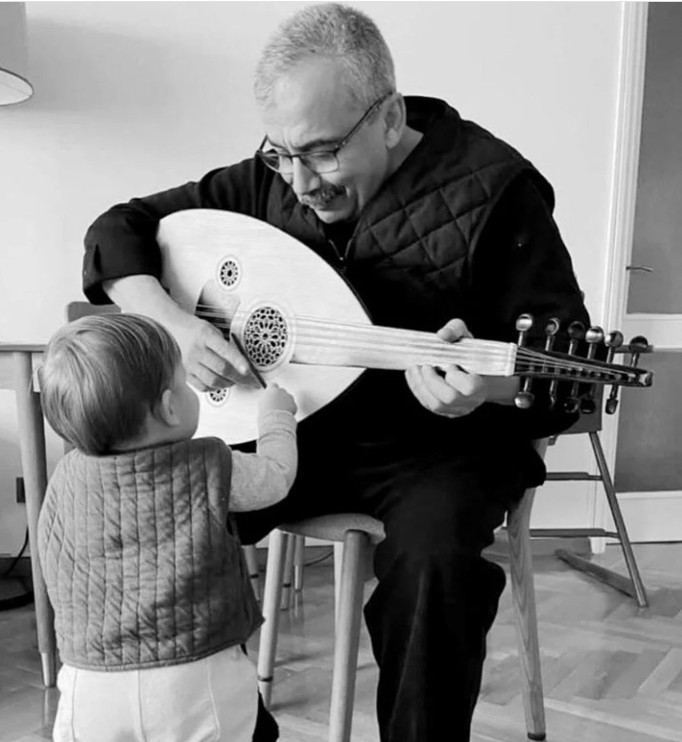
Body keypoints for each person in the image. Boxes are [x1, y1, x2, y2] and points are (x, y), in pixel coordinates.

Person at [81, 4, 591, 740]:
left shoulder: (497, 190)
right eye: (280, 155)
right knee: (149, 506)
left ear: (387, 117)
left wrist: (487, 388)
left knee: (436, 560)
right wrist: (177, 322)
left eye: (321, 153)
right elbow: (114, 232)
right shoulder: (268, 184)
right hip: (295, 429)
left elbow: (565, 372)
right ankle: (224, 724)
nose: (300, 182)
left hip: (436, 450)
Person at [36, 313, 297, 742]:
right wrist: (276, 418)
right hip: (194, 682)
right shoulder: (209, 464)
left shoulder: (64, 479)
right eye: (184, 380)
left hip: (89, 684)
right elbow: (276, 477)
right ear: (170, 406)